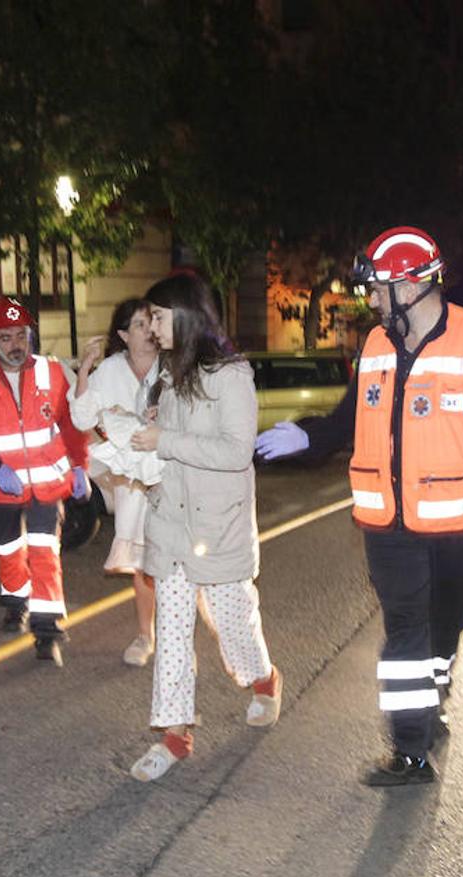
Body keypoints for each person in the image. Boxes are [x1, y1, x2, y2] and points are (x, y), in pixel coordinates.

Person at [255, 226, 463, 786]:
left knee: (445, 628)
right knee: (406, 632)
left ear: (413, 285)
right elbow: (348, 420)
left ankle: (434, 692)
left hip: (462, 524)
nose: (371, 300)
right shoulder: (375, 345)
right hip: (389, 525)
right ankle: (411, 751)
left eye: (379, 289)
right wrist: (308, 437)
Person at [125, 271, 282, 782]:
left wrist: (165, 439)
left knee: (233, 623)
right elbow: (167, 435)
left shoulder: (231, 376)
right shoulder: (170, 372)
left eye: (158, 317)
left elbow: (237, 453)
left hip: (218, 529)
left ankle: (263, 679)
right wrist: (150, 422)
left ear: (187, 316)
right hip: (173, 526)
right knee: (172, 635)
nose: (150, 327)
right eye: (147, 318)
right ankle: (175, 736)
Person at [0, 296, 89, 667]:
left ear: (29, 335)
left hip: (48, 485)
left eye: (20, 335)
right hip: (1, 486)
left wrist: (79, 465)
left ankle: (46, 631)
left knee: (45, 553)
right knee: (9, 550)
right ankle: (15, 602)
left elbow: (71, 423)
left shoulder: (53, 372)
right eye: (6, 337)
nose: (15, 344)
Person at [68, 298, 160, 667]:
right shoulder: (110, 370)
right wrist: (85, 369)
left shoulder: (172, 366)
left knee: (180, 555)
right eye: (139, 325)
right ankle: (145, 635)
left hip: (171, 470)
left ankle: (180, 632)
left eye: (151, 322)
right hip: (133, 479)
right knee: (143, 560)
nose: (149, 331)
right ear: (123, 334)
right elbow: (81, 416)